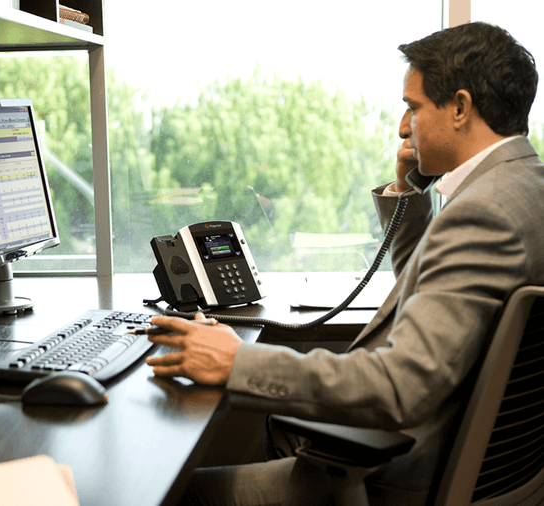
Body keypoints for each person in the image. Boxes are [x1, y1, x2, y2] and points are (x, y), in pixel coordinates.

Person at [146, 21, 544, 505]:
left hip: (397, 478)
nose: (403, 127)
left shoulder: (484, 215)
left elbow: (401, 386)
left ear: (460, 107)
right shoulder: (524, 190)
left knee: (173, 494)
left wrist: (236, 360)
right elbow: (432, 292)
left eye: (412, 107)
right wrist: (406, 192)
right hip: (504, 479)